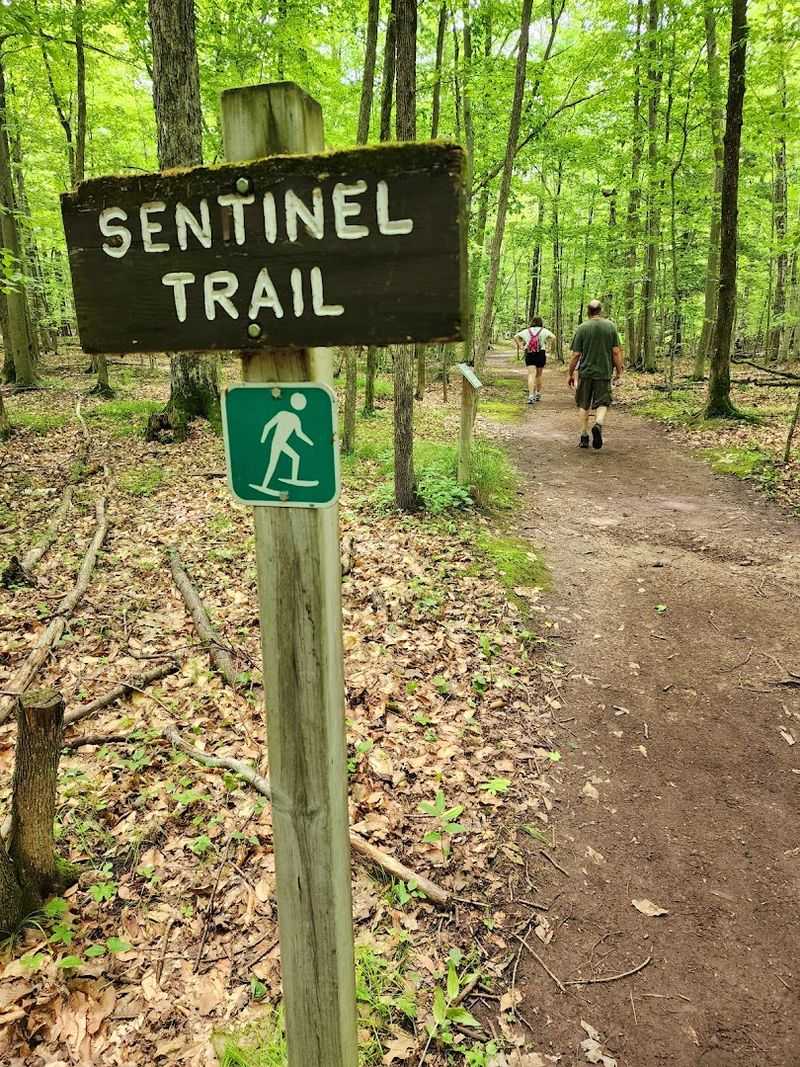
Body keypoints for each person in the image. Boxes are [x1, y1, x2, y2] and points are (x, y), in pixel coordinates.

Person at [567, 299, 623, 450]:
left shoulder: (582, 328)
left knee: (583, 403)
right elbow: (616, 352)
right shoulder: (611, 327)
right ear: (600, 310)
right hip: (604, 372)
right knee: (603, 402)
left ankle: (584, 436)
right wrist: (619, 371)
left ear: (588, 311)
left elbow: (576, 354)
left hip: (585, 372)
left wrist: (570, 373)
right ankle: (598, 424)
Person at [514, 316, 555, 404]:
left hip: (529, 353)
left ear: (532, 322)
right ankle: (538, 393)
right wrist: (549, 347)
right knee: (539, 375)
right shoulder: (543, 330)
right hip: (541, 353)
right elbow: (553, 337)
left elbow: (516, 336)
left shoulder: (527, 331)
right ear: (541, 323)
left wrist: (521, 346)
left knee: (531, 375)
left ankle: (530, 395)